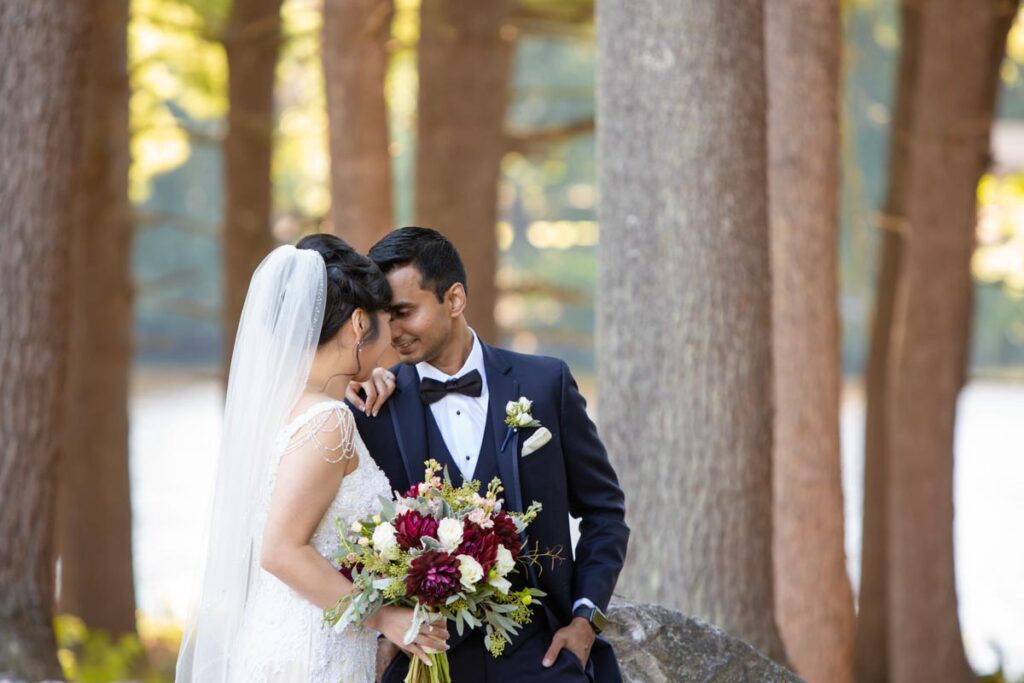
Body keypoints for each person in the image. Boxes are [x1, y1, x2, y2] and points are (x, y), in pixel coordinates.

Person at [347, 227, 629, 683]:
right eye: (385, 317)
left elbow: (604, 510)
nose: (393, 332)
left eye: (404, 312)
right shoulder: (374, 406)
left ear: (454, 300)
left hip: (542, 655)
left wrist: (584, 622)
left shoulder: (545, 384)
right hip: (426, 662)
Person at [175, 236, 448, 683]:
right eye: (384, 323)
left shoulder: (283, 406)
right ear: (360, 324)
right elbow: (281, 551)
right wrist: (386, 618)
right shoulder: (327, 423)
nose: (391, 344)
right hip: (310, 651)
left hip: (277, 635)